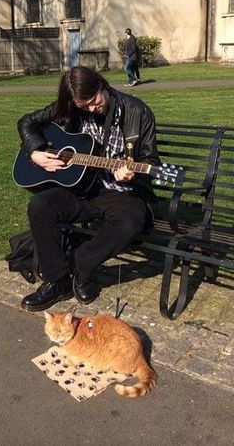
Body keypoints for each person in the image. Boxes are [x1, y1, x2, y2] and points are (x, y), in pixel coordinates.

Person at [17, 66, 160, 312]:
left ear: (102, 85)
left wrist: (131, 172)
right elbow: (27, 123)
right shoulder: (72, 107)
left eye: (94, 101)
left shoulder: (138, 111)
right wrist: (35, 152)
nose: (91, 109)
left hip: (122, 193)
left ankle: (81, 268)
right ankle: (56, 280)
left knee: (129, 223)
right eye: (84, 106)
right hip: (83, 188)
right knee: (40, 205)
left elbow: (152, 162)